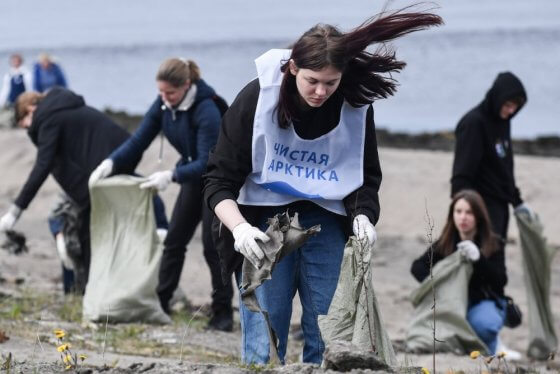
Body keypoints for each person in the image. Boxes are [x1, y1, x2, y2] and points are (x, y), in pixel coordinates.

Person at [203, 9, 442, 364]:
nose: (320, 91)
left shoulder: (354, 105)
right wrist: (238, 229)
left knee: (330, 325)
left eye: (330, 83)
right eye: (312, 80)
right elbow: (217, 181)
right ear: (293, 69)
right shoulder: (257, 98)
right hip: (263, 218)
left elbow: (365, 178)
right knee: (266, 326)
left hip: (326, 216)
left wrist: (364, 218)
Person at [89, 58, 234, 331]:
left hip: (219, 179)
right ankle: (161, 302)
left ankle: (223, 313)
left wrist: (171, 175)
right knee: (174, 240)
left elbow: (207, 160)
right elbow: (138, 141)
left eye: (170, 93)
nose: (165, 99)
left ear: (186, 85)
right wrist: (110, 163)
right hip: (192, 177)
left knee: (212, 247)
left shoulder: (206, 109)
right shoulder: (163, 105)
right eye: (161, 93)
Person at [0, 87, 167, 293]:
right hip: (121, 152)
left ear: (30, 108)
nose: (27, 129)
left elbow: (43, 165)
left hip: (112, 159)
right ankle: (93, 287)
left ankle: (92, 289)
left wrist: (16, 211)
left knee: (88, 231)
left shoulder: (47, 118)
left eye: (24, 122)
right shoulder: (61, 110)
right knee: (91, 224)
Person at [411, 190, 507, 354]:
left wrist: (479, 259)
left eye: (469, 212)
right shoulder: (446, 243)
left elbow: (500, 280)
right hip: (451, 303)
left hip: (481, 303)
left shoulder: (493, 243)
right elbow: (417, 267)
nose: (463, 217)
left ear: (479, 216)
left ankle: (492, 348)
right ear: (452, 214)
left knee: (485, 326)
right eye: (458, 211)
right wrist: (441, 283)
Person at [451, 72, 533, 243]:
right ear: (497, 98)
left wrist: (517, 201)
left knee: (496, 264)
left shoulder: (503, 121)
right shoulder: (473, 123)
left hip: (500, 207)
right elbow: (460, 178)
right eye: (508, 105)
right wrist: (465, 217)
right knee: (485, 266)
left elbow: (505, 167)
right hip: (479, 210)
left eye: (515, 108)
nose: (511, 111)